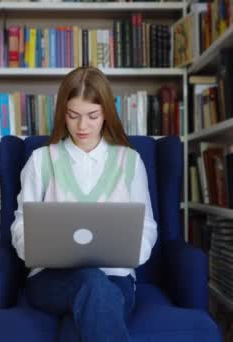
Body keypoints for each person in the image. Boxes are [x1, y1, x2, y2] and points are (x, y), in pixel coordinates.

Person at [10, 66, 158, 342]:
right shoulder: (41, 161)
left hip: (116, 278)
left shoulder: (130, 161)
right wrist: (35, 248)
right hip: (51, 280)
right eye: (73, 115)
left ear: (106, 114)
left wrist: (132, 252)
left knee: (80, 318)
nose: (82, 126)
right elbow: (21, 223)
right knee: (92, 285)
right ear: (62, 114)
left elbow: (146, 225)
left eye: (92, 116)